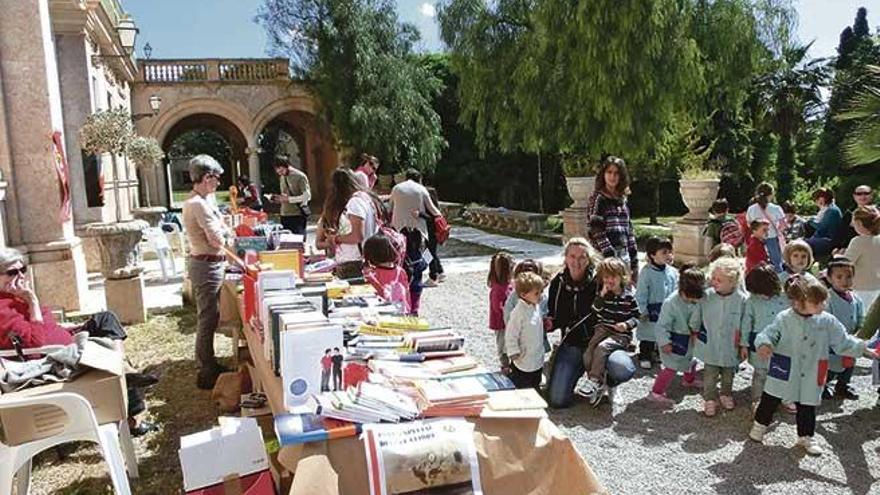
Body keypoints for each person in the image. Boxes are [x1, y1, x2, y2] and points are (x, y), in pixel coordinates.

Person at [0, 247, 158, 435]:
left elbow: (48, 326)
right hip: (52, 356)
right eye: (12, 272)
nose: (20, 276)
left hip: (66, 341)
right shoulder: (4, 308)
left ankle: (122, 370)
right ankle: (128, 396)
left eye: (22, 270)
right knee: (109, 352)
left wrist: (68, 328)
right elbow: (36, 343)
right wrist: (32, 301)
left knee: (105, 318)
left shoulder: (17, 297)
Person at [749, 274, 879, 456]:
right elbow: (769, 333)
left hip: (812, 369)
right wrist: (764, 344)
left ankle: (806, 436)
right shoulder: (784, 318)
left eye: (823, 302)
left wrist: (864, 349)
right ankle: (760, 425)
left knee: (807, 405)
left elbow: (843, 341)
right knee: (770, 398)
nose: (822, 306)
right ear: (797, 302)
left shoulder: (827, 321)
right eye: (816, 302)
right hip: (785, 367)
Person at [546, 238, 637, 408]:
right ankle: (572, 371)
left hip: (602, 341)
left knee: (622, 368)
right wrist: (548, 324)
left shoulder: (601, 281)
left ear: (589, 258)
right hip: (573, 344)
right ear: (565, 258)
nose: (577, 261)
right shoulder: (557, 283)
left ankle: (609, 381)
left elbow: (626, 304)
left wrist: (626, 326)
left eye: (582, 257)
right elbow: (554, 316)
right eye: (572, 256)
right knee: (557, 400)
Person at [182, 154, 233, 390]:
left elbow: (222, 225)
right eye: (215, 178)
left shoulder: (205, 199)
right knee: (208, 318)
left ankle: (207, 363)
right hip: (207, 265)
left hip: (210, 263)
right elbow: (216, 239)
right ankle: (206, 368)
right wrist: (226, 234)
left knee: (211, 316)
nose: (218, 183)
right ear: (206, 177)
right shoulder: (197, 204)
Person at [575, 257, 640, 406]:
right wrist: (601, 296)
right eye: (606, 277)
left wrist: (626, 324)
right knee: (588, 353)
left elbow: (637, 317)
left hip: (620, 335)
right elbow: (595, 311)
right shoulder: (603, 296)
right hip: (603, 329)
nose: (609, 280)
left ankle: (594, 380)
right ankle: (598, 382)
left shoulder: (628, 297)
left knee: (602, 348)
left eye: (613, 277)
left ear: (621, 277)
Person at [691, 257, 745, 416]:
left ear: (732, 282)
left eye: (719, 280)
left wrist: (743, 344)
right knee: (710, 373)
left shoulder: (741, 300)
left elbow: (745, 323)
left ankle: (726, 394)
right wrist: (694, 330)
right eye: (713, 278)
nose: (714, 282)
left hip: (731, 344)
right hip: (711, 343)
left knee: (729, 373)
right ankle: (709, 399)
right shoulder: (706, 296)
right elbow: (697, 315)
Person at [649, 265, 705, 405]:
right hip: (674, 340)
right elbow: (662, 325)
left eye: (695, 300)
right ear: (681, 289)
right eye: (689, 298)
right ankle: (656, 392)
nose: (692, 301)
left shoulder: (698, 298)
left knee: (691, 361)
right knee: (671, 367)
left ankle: (689, 380)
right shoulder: (671, 303)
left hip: (690, 338)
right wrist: (664, 342)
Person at [740, 264, 789, 411]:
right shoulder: (751, 301)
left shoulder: (784, 298)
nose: (762, 296)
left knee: (780, 371)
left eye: (764, 292)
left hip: (781, 343)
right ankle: (757, 399)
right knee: (760, 372)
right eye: (757, 292)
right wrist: (743, 344)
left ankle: (781, 397)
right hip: (758, 343)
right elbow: (746, 324)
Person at [586, 156, 638, 282]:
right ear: (603, 174)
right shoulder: (598, 198)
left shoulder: (623, 199)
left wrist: (634, 260)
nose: (612, 176)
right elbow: (596, 230)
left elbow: (628, 230)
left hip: (623, 254)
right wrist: (610, 256)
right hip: (604, 256)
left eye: (616, 173)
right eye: (609, 172)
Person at [322, 168, 381, 279]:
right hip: (361, 258)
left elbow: (357, 236)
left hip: (353, 261)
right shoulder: (366, 198)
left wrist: (335, 239)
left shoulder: (354, 202)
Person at [822, 257, 864, 401]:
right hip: (832, 341)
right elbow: (825, 320)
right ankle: (823, 385)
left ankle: (843, 385)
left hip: (851, 339)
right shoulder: (827, 298)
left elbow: (860, 317)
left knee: (849, 364)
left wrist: (860, 331)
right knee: (831, 365)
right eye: (839, 277)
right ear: (829, 278)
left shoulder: (856, 298)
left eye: (848, 277)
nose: (844, 281)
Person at [635, 236, 678, 369]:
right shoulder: (646, 273)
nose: (668, 255)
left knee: (663, 333)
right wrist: (642, 310)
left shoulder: (672, 272)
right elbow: (641, 293)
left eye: (669, 252)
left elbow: (676, 289)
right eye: (663, 252)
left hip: (666, 309)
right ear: (652, 255)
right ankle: (645, 354)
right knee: (648, 334)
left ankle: (658, 352)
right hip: (651, 310)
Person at [505, 272, 546, 390]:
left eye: (541, 292)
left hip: (536, 355)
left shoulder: (535, 306)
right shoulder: (519, 312)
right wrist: (513, 350)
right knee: (521, 384)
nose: (540, 296)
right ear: (523, 294)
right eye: (537, 293)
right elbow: (511, 333)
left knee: (535, 381)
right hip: (522, 356)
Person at [362, 232, 411, 314]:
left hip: (380, 312)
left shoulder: (373, 274)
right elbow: (407, 294)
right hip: (401, 311)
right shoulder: (400, 272)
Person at [842, 206, 880, 310]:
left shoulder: (858, 241)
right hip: (877, 287)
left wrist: (836, 256)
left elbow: (845, 263)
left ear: (859, 223)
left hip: (861, 289)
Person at [745, 182, 786, 271]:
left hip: (757, 239)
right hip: (772, 237)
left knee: (758, 263)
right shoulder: (776, 208)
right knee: (776, 263)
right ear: (771, 195)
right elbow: (783, 225)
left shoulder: (751, 209)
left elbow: (749, 224)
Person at [271, 157, 312, 238]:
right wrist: (278, 199)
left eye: (281, 170)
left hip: (297, 214)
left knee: (298, 240)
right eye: (277, 171)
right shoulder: (282, 177)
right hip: (284, 214)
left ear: (286, 166)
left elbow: (307, 196)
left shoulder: (299, 176)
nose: (280, 173)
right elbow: (285, 194)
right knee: (286, 241)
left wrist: (289, 199)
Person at [487, 253, 514, 370]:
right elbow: (497, 308)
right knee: (503, 346)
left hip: (509, 323)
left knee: (510, 344)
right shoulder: (498, 289)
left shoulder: (509, 285)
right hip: (501, 324)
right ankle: (505, 366)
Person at [805, 187, 842, 258]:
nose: (815, 203)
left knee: (801, 244)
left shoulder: (831, 211)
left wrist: (810, 221)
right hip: (826, 238)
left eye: (816, 200)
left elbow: (822, 228)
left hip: (829, 241)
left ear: (822, 199)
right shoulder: (830, 208)